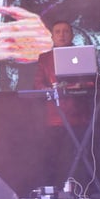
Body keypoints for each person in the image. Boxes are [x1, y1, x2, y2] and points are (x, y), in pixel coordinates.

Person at [31, 20, 94, 188]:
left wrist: (82, 86)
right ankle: (49, 193)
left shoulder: (82, 54)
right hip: (56, 117)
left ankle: (85, 193)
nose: (62, 35)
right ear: (52, 36)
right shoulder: (44, 58)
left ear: (72, 35)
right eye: (58, 31)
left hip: (80, 116)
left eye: (65, 31)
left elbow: (93, 81)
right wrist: (51, 89)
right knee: (51, 157)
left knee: (81, 157)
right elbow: (38, 85)